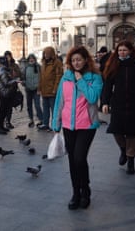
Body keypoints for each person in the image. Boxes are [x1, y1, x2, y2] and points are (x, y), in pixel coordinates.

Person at [52, 46, 103, 210]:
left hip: (87, 125)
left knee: (79, 158)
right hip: (68, 125)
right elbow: (60, 100)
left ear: (85, 60)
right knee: (72, 161)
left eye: (79, 59)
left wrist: (81, 80)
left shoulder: (94, 77)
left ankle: (85, 190)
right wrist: (56, 122)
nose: (76, 62)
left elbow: (93, 97)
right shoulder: (65, 78)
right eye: (73, 60)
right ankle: (76, 193)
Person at [101, 40, 135, 175]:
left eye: (125, 50)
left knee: (132, 133)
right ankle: (123, 149)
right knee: (116, 130)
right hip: (118, 104)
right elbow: (107, 86)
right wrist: (105, 102)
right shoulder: (113, 65)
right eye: (120, 50)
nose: (122, 52)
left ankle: (131, 161)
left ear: (131, 51)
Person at [38, 46, 63, 131]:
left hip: (52, 90)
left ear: (51, 54)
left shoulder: (57, 63)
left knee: (54, 109)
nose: (46, 55)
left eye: (48, 53)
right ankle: (45, 124)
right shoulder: (43, 63)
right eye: (45, 53)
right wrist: (39, 88)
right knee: (45, 108)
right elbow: (41, 77)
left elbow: (58, 76)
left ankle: (54, 125)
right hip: (45, 90)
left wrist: (55, 88)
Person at [0, 56, 19, 134]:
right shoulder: (2, 70)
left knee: (5, 110)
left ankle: (1, 126)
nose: (8, 62)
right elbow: (6, 83)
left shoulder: (5, 69)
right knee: (2, 110)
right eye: (7, 61)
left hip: (6, 93)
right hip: (3, 93)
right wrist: (15, 80)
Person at [23, 53, 43, 128]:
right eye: (30, 59)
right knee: (29, 105)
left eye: (33, 58)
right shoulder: (26, 67)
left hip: (36, 89)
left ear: (35, 59)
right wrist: (23, 83)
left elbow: (42, 78)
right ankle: (31, 119)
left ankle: (41, 119)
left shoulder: (38, 67)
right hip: (28, 89)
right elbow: (23, 77)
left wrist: (40, 87)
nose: (31, 60)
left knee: (37, 105)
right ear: (28, 60)